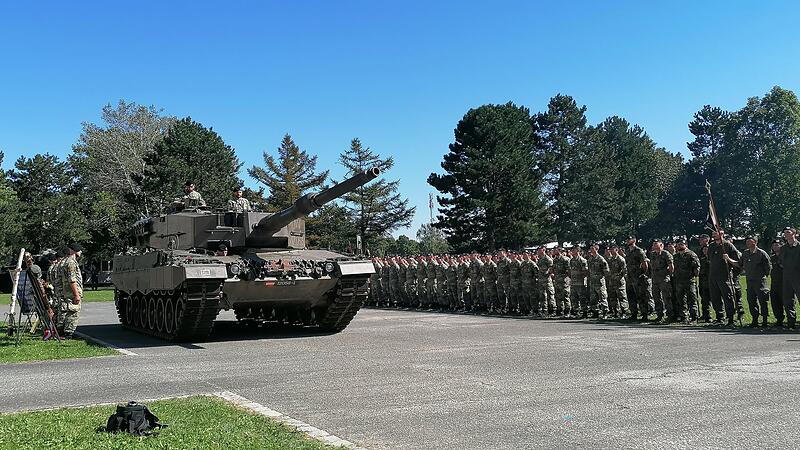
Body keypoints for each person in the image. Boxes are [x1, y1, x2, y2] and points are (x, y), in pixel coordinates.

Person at [708, 230, 740, 326]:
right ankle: (719, 318)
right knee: (715, 298)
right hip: (713, 275)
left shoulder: (728, 245)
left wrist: (728, 259)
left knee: (728, 297)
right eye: (712, 233)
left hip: (724, 276)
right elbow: (709, 259)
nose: (713, 235)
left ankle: (730, 319)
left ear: (721, 234)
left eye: (715, 233)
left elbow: (738, 261)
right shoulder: (711, 246)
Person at [738, 236, 772, 327]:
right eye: (747, 241)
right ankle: (755, 320)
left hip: (760, 281)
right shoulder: (745, 253)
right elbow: (739, 264)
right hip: (749, 281)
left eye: (750, 241)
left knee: (763, 300)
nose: (747, 243)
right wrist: (728, 259)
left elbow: (768, 266)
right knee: (751, 301)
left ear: (755, 242)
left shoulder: (761, 253)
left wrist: (763, 275)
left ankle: (765, 320)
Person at [625, 237, 653, 321]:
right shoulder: (627, 251)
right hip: (630, 277)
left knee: (641, 296)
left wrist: (642, 274)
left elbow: (645, 264)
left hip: (638, 277)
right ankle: (634, 313)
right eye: (626, 240)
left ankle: (644, 314)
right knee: (631, 296)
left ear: (634, 240)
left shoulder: (639, 251)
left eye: (629, 239)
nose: (627, 241)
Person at [672, 238, 700, 323]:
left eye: (682, 244)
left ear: (686, 245)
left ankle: (694, 317)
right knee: (681, 300)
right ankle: (684, 317)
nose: (680, 246)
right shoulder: (676, 256)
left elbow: (696, 267)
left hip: (689, 280)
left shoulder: (691, 254)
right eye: (678, 244)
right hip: (679, 281)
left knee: (692, 299)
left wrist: (695, 275)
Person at [60, 243, 85, 338]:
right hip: (71, 292)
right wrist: (76, 294)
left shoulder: (69, 261)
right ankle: (69, 333)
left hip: (68, 291)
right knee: (73, 312)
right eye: (80, 250)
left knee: (70, 311)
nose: (81, 252)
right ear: (76, 251)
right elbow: (72, 280)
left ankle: (67, 332)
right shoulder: (71, 262)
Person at [649, 239, 674, 322]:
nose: (654, 246)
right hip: (655, 279)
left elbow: (671, 266)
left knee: (666, 297)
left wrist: (668, 275)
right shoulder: (652, 254)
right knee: (656, 297)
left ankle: (670, 315)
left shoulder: (666, 254)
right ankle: (659, 315)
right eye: (653, 244)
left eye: (656, 244)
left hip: (664, 279)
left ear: (661, 245)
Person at [780, 227, 800, 328]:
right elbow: (781, 261)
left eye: (788, 232)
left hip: (798, 276)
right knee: (788, 299)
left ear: (794, 233)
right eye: (784, 233)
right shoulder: (783, 248)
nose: (786, 234)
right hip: (787, 276)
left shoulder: (799, 246)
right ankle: (791, 322)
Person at [586, 243, 609, 318]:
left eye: (592, 249)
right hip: (592, 282)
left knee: (602, 297)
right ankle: (595, 312)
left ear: (596, 249)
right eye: (591, 249)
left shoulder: (601, 259)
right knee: (593, 298)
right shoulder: (590, 260)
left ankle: (605, 313)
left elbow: (606, 271)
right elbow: (589, 270)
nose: (591, 250)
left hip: (599, 282)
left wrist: (602, 278)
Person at [697, 234, 713, 322]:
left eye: (702, 239)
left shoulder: (711, 248)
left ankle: (718, 316)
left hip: (711, 277)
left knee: (713, 297)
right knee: (704, 297)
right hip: (702, 277)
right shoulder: (699, 250)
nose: (700, 241)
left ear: (707, 240)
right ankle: (705, 315)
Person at [770, 240, 784, 327]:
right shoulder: (772, 258)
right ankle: (779, 319)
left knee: (787, 302)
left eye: (777, 245)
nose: (775, 247)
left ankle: (791, 320)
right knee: (775, 302)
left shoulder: (785, 256)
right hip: (774, 283)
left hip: (785, 283)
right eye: (773, 245)